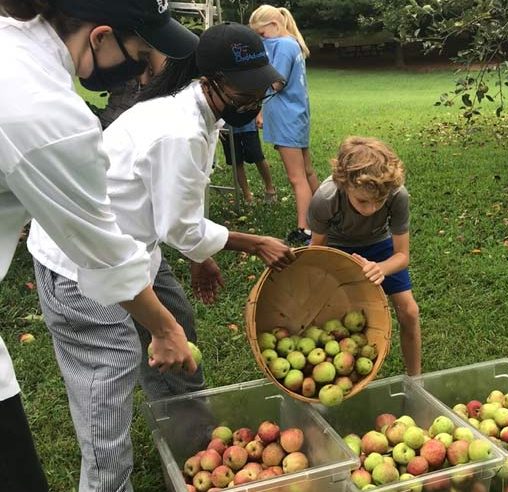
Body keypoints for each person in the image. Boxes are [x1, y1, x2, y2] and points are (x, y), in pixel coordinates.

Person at [27, 21, 296, 492]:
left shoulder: (195, 113)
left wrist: (199, 255)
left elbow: (175, 205)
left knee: (178, 328)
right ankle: (107, 482)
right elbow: (180, 225)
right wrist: (254, 243)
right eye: (245, 90)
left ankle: (194, 448)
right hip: (80, 266)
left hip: (132, 248)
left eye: (260, 88)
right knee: (106, 393)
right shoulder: (179, 130)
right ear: (210, 80)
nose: (254, 100)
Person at [0, 1, 200, 491]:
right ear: (100, 38)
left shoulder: (14, 48)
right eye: (142, 51)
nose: (150, 67)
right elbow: (103, 252)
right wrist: (166, 329)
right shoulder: (44, 112)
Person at [308, 136, 421, 376]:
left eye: (379, 201)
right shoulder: (325, 198)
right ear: (344, 182)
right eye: (362, 201)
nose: (371, 209)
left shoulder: (397, 194)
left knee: (410, 311)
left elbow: (402, 255)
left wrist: (380, 268)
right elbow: (316, 252)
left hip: (380, 246)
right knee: (332, 316)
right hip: (337, 248)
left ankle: (416, 379)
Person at [249, 5, 319, 245]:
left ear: (274, 25)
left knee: (296, 177)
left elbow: (277, 82)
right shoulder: (290, 44)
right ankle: (327, 215)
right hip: (295, 115)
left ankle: (305, 229)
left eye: (262, 34)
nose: (261, 40)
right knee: (307, 171)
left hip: (288, 118)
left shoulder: (285, 45)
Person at [220, 120, 277, 204]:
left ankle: (270, 189)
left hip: (248, 126)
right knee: (236, 161)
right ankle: (247, 196)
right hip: (227, 128)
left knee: (258, 157)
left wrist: (259, 116)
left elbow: (257, 106)